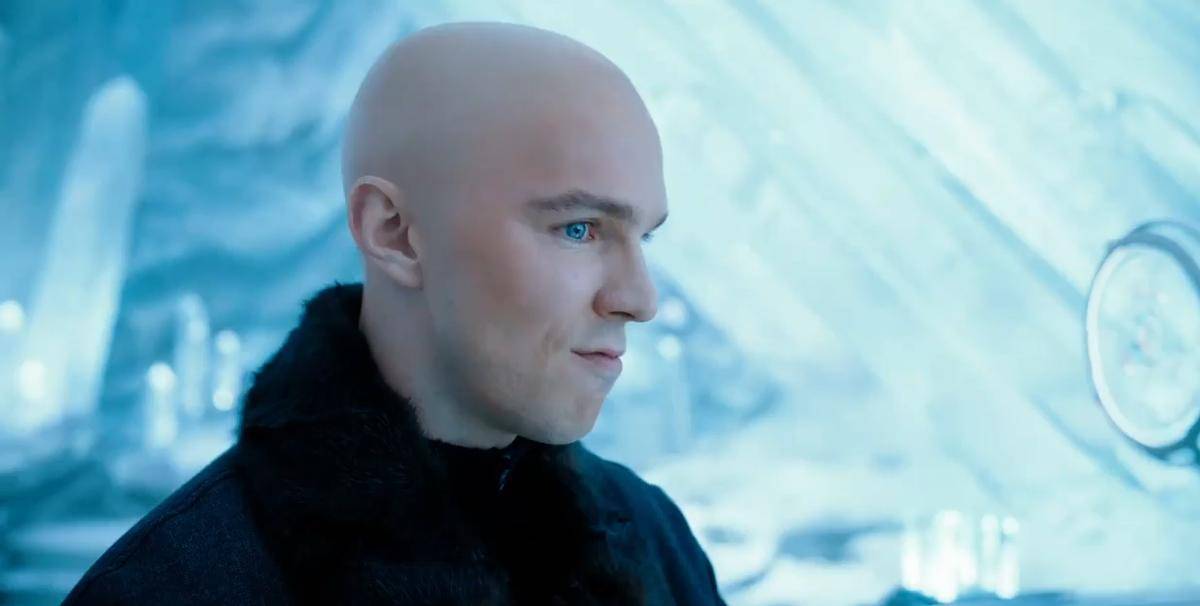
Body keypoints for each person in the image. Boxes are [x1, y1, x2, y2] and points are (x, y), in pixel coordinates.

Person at [63, 21, 726, 605]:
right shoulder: (174, 588)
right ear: (395, 233)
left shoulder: (655, 539)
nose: (640, 300)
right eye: (579, 229)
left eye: (645, 237)